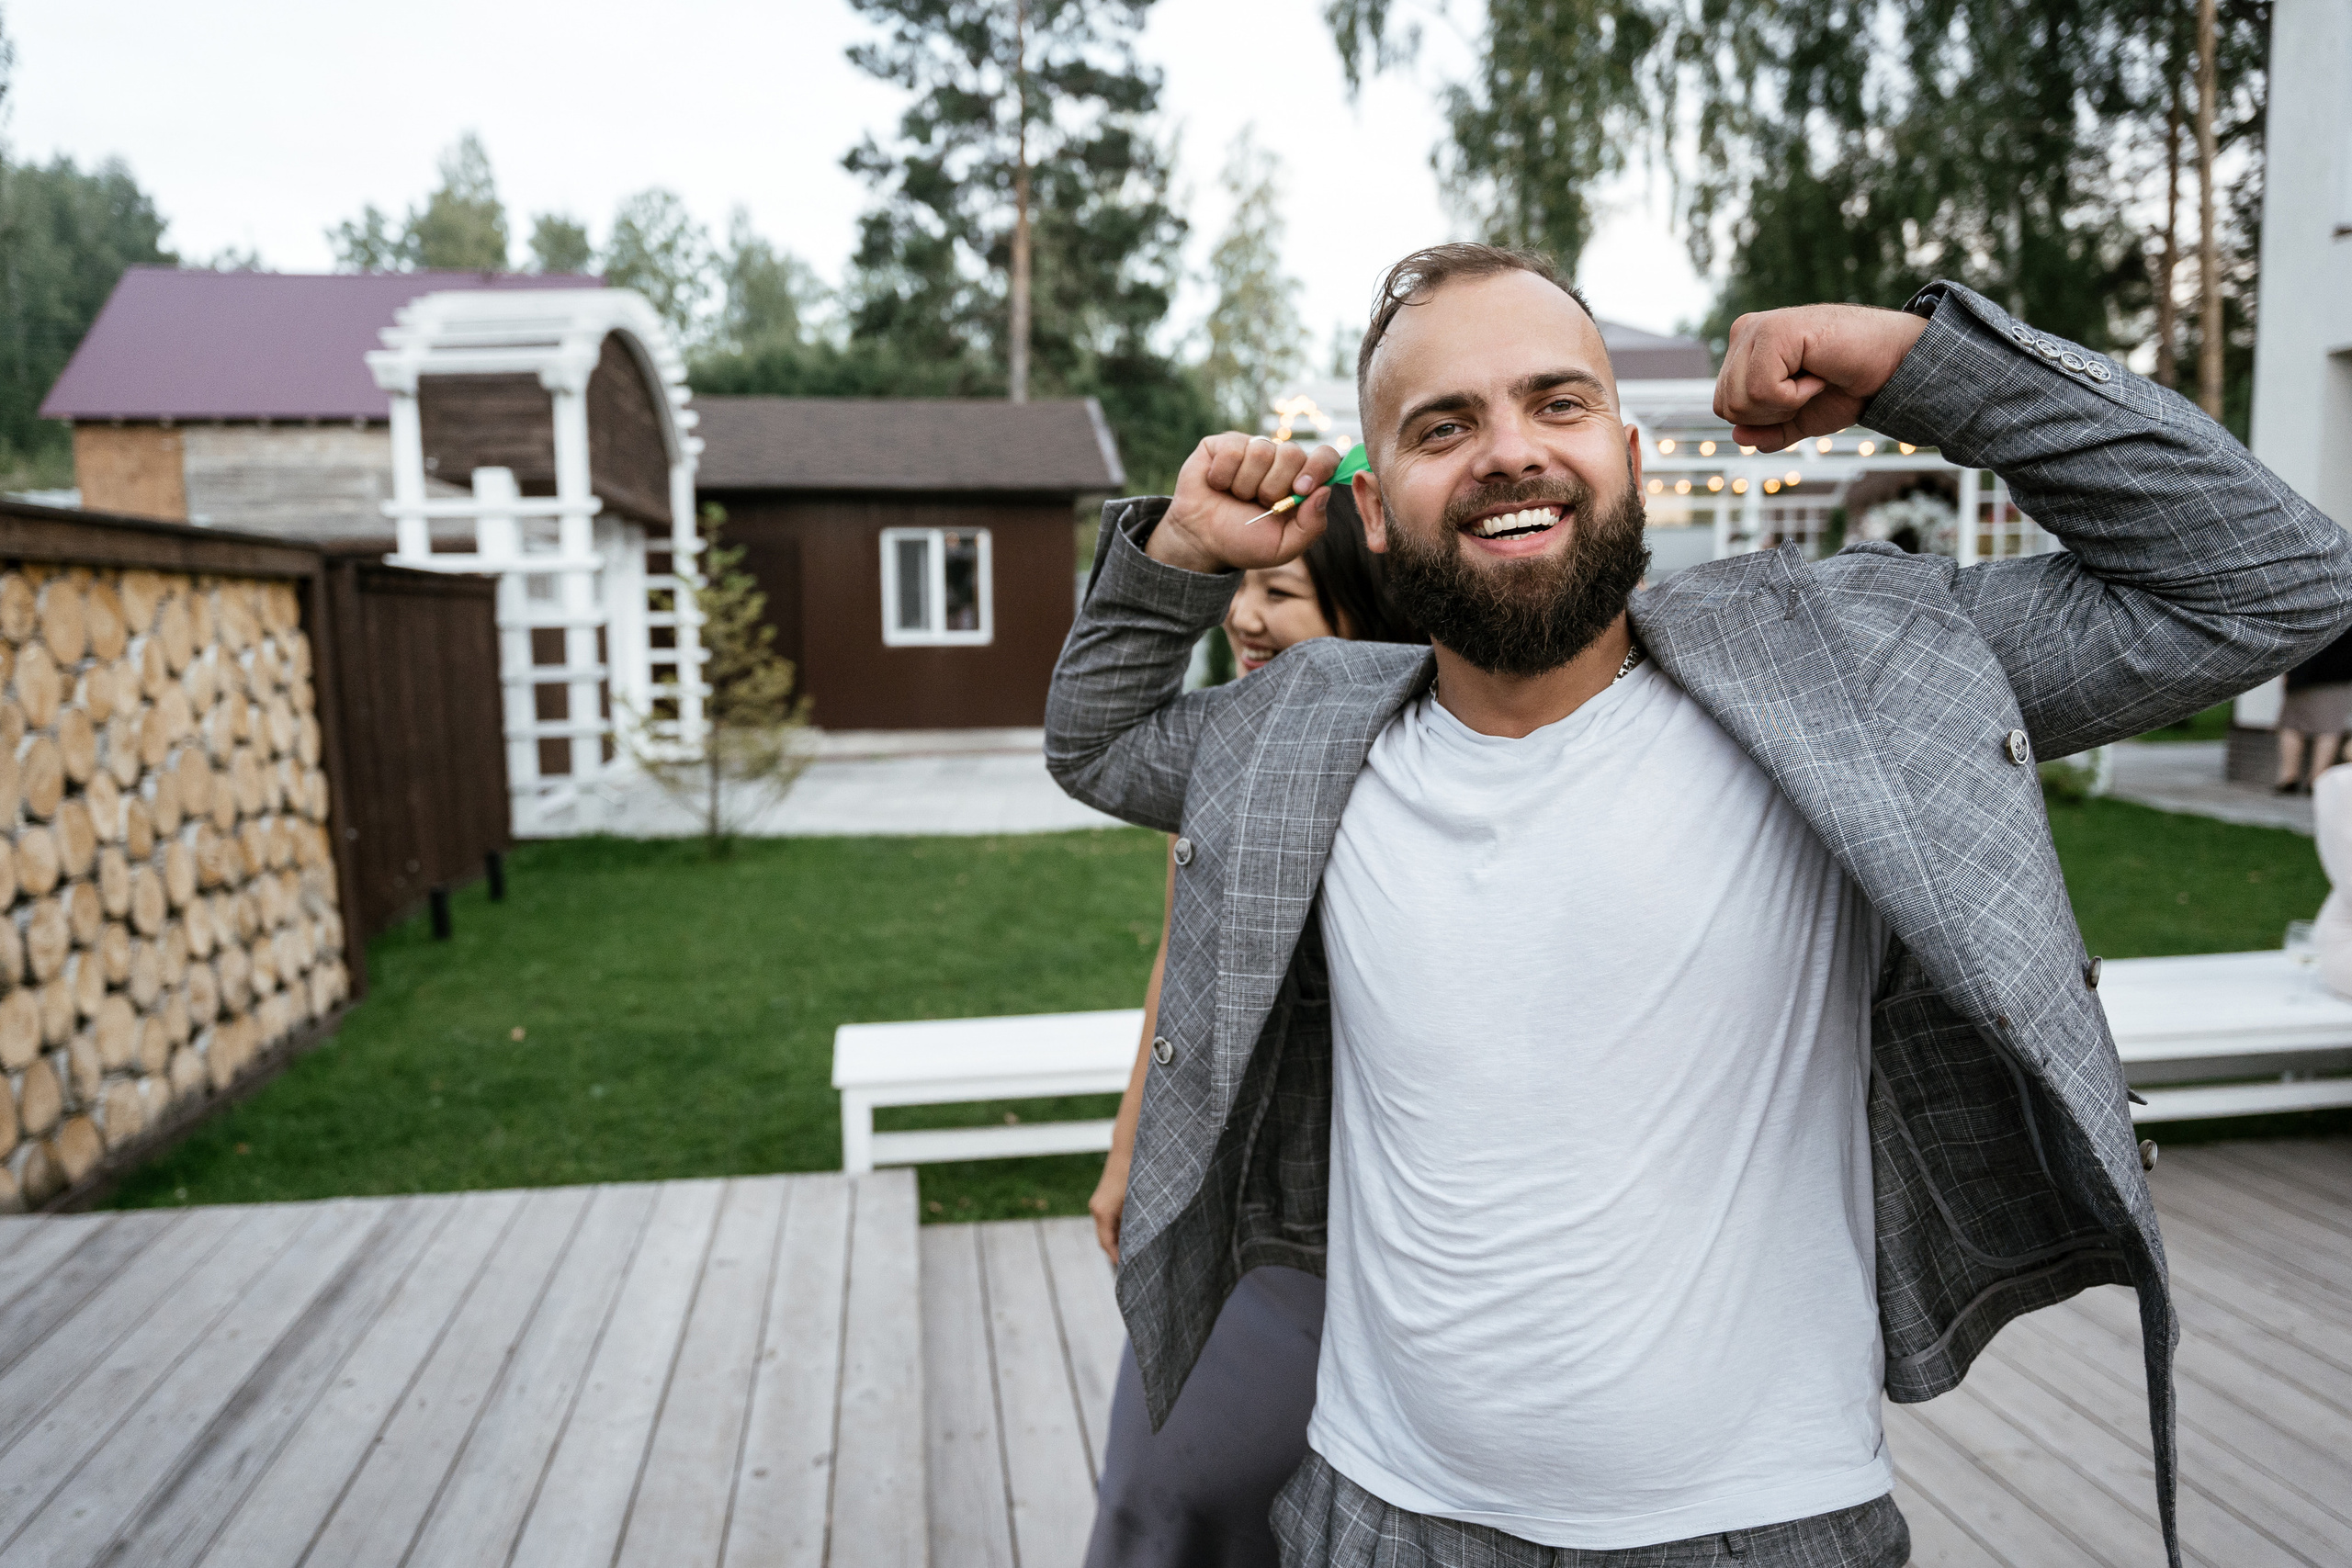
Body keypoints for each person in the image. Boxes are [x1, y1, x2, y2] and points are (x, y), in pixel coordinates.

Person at [1045, 243, 2352, 1568]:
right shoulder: (1306, 739)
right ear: (1373, 512)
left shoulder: (1843, 671)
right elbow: (1097, 738)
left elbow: (2274, 579)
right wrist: (1174, 554)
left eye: (1556, 404)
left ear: (1632, 457)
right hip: (1379, 1513)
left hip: (1765, 1525)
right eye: (1447, 425)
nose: (1509, 451)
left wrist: (1921, 365)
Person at [1086, 486, 1422, 1568]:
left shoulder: (1430, 778)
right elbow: (1178, 959)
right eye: (1239, 588)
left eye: (1281, 591)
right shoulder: (1227, 763)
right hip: (1239, 1212)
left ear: (1366, 616)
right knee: (1166, 1490)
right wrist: (1130, 1152)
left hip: (1393, 1219)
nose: (1243, 618)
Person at [2274, 626, 2352, 792]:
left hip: (2301, 671)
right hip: (2337, 673)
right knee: (2328, 727)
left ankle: (2288, 777)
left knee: (2292, 724)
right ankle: (2317, 780)